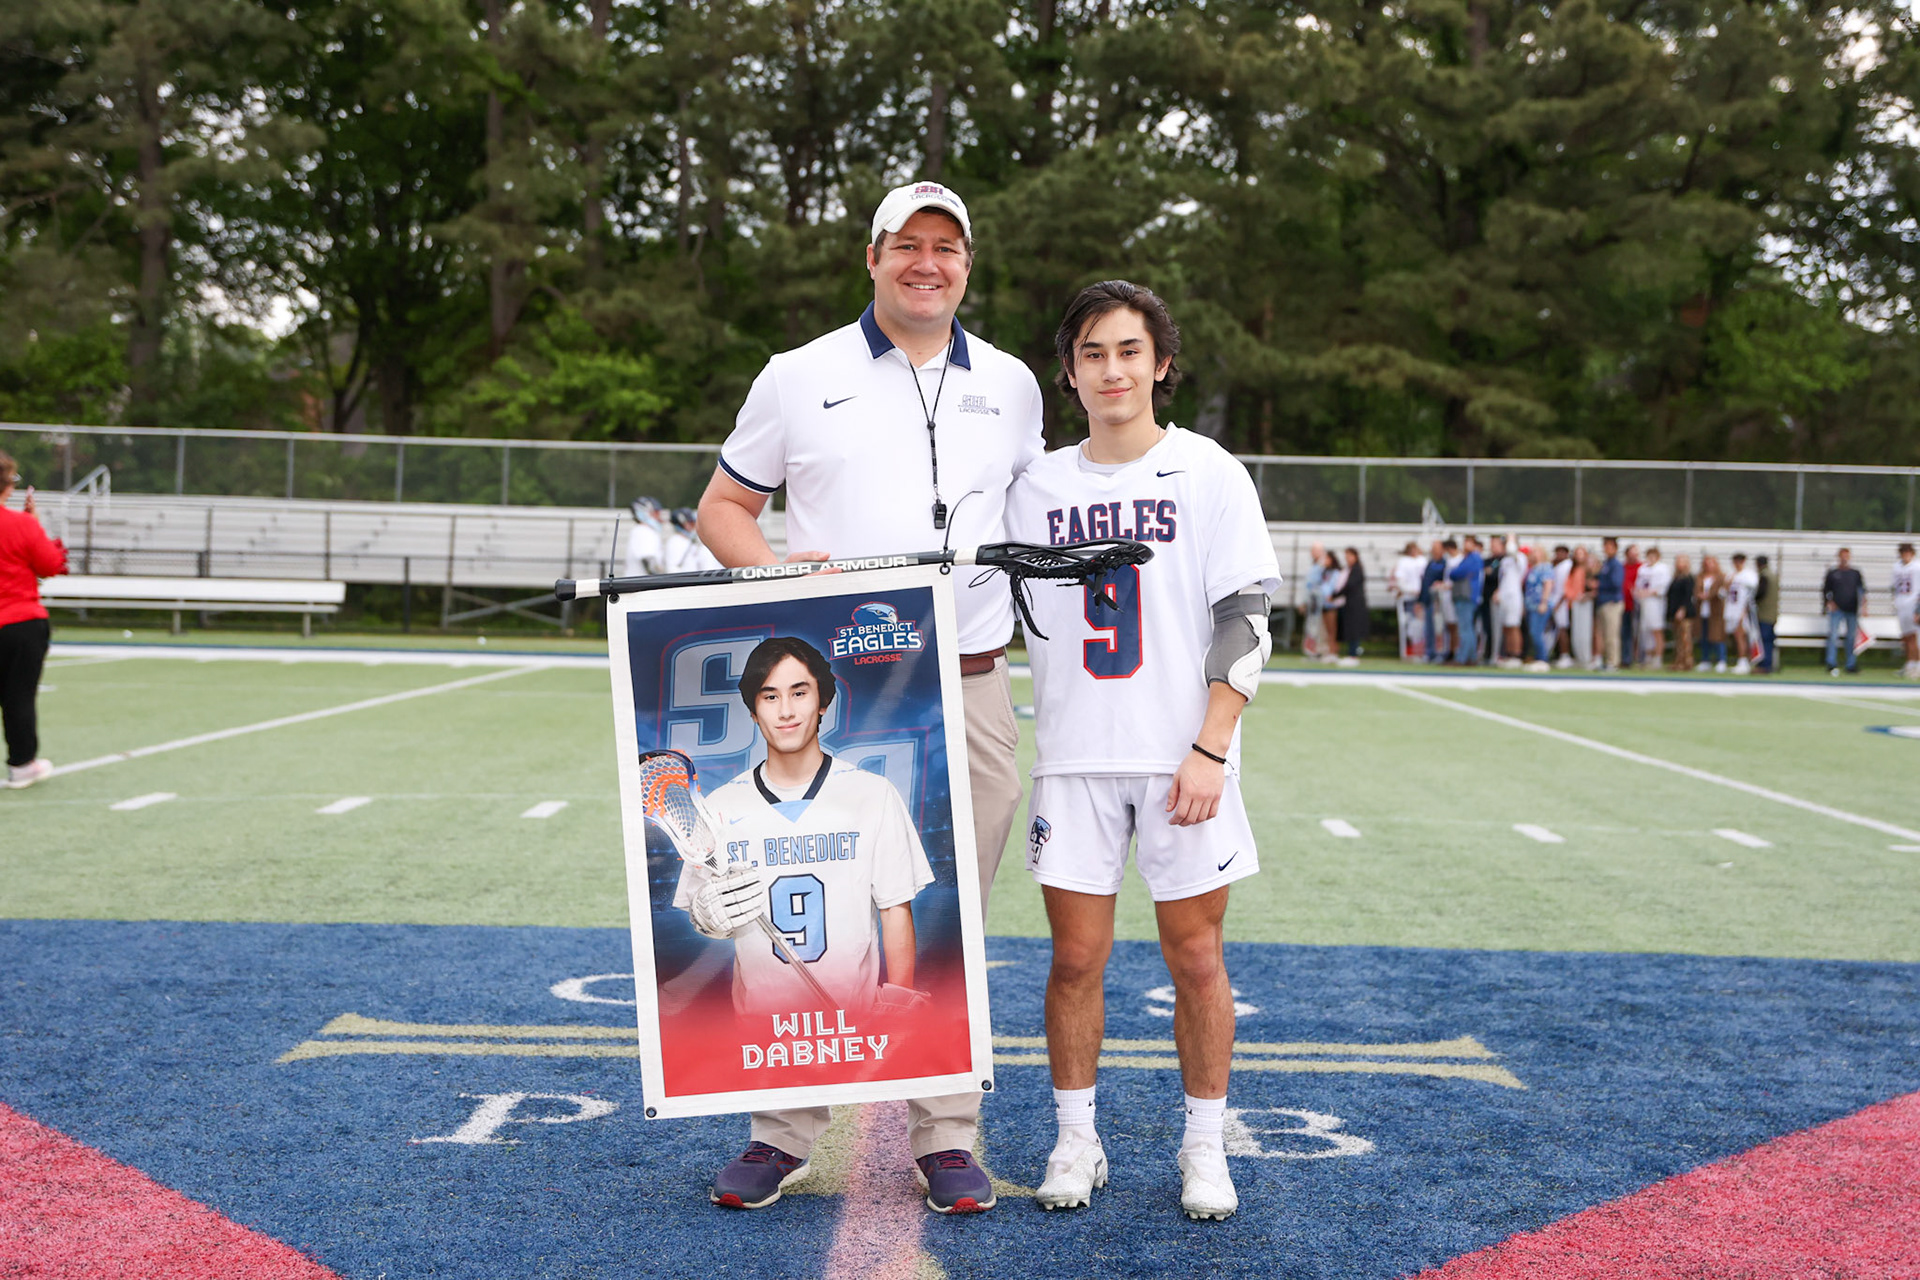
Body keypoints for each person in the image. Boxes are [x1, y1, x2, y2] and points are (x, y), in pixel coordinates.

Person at [695, 179, 1045, 1213]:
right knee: (803, 917)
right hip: (842, 695)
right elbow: (724, 507)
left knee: (948, 919)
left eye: (947, 246)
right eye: (907, 244)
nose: (926, 262)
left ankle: (944, 1134)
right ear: (873, 255)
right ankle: (781, 1129)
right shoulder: (798, 374)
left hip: (971, 682)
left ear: (968, 265)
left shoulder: (1018, 386)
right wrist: (772, 579)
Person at [1006, 279, 1279, 1221]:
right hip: (1073, 757)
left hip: (1179, 761)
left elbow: (1244, 618)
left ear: (1160, 365)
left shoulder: (1209, 472)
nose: (1111, 369)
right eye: (1092, 353)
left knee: (1195, 957)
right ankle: (1077, 1137)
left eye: (1129, 350)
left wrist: (1210, 745)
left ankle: (1204, 1147)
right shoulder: (1033, 485)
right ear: (1070, 373)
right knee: (1074, 961)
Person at [678, 639, 939, 1208]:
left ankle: (943, 1144)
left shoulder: (870, 794)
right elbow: (704, 915)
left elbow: (895, 904)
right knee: (777, 1058)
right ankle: (778, 1141)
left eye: (800, 692)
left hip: (861, 1004)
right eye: (770, 696)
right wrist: (708, 915)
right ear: (753, 710)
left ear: (825, 701)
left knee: (929, 1047)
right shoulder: (720, 808)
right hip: (770, 1019)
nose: (787, 709)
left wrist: (898, 989)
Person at [1, 452, 66, 788]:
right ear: (8, 487)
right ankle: (22, 763)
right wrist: (33, 524)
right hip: (20, 622)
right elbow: (50, 564)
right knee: (19, 696)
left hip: (16, 619)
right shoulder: (22, 524)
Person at [1821, 548, 1867, 676]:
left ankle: (1850, 664)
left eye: (1847, 556)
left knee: (1851, 637)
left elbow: (1862, 590)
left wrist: (1864, 606)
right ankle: (1831, 663)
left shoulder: (1855, 573)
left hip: (1851, 609)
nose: (1844, 559)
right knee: (1833, 636)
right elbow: (1825, 590)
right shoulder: (1833, 573)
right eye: (1842, 556)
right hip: (1837, 610)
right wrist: (1829, 602)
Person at [1448, 535, 1484, 665]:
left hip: (1466, 595)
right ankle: (1471, 657)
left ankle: (1462, 658)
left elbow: (1456, 573)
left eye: (1468, 542)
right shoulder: (1469, 558)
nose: (1465, 545)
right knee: (1468, 628)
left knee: (1465, 628)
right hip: (1466, 596)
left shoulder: (1473, 557)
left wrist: (1454, 572)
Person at [1634, 547, 1671, 671]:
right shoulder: (1643, 569)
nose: (1651, 559)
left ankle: (1658, 658)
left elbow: (1662, 588)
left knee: (1656, 630)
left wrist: (1649, 593)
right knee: (1645, 631)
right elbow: (1638, 585)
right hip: (1644, 603)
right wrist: (1639, 593)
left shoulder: (1662, 568)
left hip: (1656, 603)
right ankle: (1648, 657)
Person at [1390, 541, 1425, 660]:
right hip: (1409, 597)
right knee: (1411, 625)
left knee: (1421, 625)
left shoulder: (1422, 560)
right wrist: (1410, 590)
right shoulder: (1403, 562)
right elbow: (1400, 580)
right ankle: (1413, 649)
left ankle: (1421, 649)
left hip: (1422, 597)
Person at [1594, 537, 1624, 671]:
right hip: (1603, 601)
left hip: (1612, 602)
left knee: (1612, 634)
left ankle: (1613, 662)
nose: (1606, 549)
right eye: (1605, 546)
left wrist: (1599, 584)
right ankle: (1607, 660)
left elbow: (1616, 583)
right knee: (1604, 635)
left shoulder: (1616, 565)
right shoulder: (1606, 563)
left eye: (1609, 547)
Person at [1522, 547, 1554, 669]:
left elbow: (1548, 584)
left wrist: (1544, 602)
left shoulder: (1546, 567)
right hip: (1531, 605)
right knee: (1533, 632)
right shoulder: (1532, 569)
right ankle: (1537, 658)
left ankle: (1543, 659)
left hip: (1540, 604)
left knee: (1536, 632)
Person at [1335, 547, 1369, 661]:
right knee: (1350, 629)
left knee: (1354, 629)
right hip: (1349, 603)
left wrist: (1335, 595)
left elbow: (1349, 586)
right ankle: (1351, 652)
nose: (1347, 559)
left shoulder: (1357, 569)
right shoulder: (1348, 569)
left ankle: (1353, 653)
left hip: (1355, 604)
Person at [1727, 553, 1758, 674]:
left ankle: (1744, 661)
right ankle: (1741, 660)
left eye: (1740, 561)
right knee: (1736, 636)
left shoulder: (1749, 575)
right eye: (1735, 561)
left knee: (1741, 636)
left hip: (1743, 610)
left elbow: (1751, 594)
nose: (1737, 563)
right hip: (1732, 609)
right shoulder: (1731, 575)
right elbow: (1725, 592)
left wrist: (1745, 610)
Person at [624, 495, 669, 577]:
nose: (659, 516)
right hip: (641, 585)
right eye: (655, 512)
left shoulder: (643, 531)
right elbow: (649, 561)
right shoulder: (643, 531)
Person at [1696, 555, 1727, 672]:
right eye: (1706, 563)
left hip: (1716, 612)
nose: (1708, 565)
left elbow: (1721, 592)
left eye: (1711, 562)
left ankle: (1721, 660)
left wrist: (1709, 595)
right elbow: (1696, 590)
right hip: (1703, 611)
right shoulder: (1700, 577)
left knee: (1717, 636)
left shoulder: (1721, 577)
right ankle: (1705, 660)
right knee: (1704, 637)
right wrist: (1699, 595)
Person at [1420, 541, 1449, 664]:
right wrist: (1421, 599)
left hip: (1440, 601)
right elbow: (1425, 581)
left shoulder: (1445, 563)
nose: (1433, 551)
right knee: (1429, 628)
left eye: (1435, 548)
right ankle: (1430, 652)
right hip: (1428, 600)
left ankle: (1442, 653)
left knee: (1440, 628)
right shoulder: (1430, 563)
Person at [1893, 544, 1919, 679]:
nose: (1905, 555)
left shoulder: (1917, 567)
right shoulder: (1896, 567)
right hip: (1901, 604)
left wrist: (1918, 609)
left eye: (1908, 552)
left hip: (1913, 604)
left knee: (1914, 637)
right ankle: (1909, 664)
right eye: (1903, 552)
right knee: (1906, 636)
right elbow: (1895, 586)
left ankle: (1917, 665)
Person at [1565, 546, 1593, 670]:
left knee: (1585, 632)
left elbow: (1594, 585)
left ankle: (1586, 658)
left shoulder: (1589, 569)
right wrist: (1572, 596)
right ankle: (1578, 657)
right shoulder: (1573, 569)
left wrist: (1586, 594)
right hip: (1575, 603)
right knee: (1577, 632)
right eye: (1577, 553)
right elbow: (1568, 586)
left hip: (1585, 603)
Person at [1667, 554, 1696, 673]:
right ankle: (1678, 660)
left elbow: (1688, 595)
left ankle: (1687, 662)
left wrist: (1682, 609)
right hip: (1674, 612)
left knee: (1685, 638)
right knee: (1678, 638)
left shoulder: (1688, 578)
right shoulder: (1675, 578)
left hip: (1684, 613)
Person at [1754, 554, 1780, 674]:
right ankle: (1768, 663)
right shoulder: (1773, 575)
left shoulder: (1764, 576)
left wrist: (1752, 600)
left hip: (1764, 613)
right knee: (1769, 640)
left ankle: (1765, 665)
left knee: (1764, 640)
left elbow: (1760, 594)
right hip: (1773, 613)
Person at [1319, 548, 1346, 663]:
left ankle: (1333, 651)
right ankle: (1328, 650)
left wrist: (1331, 596)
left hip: (1332, 604)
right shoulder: (1325, 572)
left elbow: (1336, 587)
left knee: (1332, 629)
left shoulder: (1336, 573)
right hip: (1324, 603)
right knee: (1326, 629)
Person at [1550, 545, 1574, 668]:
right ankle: (1559, 654)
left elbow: (1566, 586)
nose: (1558, 555)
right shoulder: (1558, 566)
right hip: (1555, 601)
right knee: (1558, 630)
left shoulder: (1568, 565)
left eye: (1561, 552)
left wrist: (1559, 602)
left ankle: (1565, 655)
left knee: (1562, 629)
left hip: (1562, 602)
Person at [1620, 544, 1643, 668]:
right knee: (1625, 633)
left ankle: (1639, 658)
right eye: (1632, 552)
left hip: (1637, 605)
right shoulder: (1622, 567)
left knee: (1637, 634)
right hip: (1624, 605)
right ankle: (1626, 658)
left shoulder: (1642, 567)